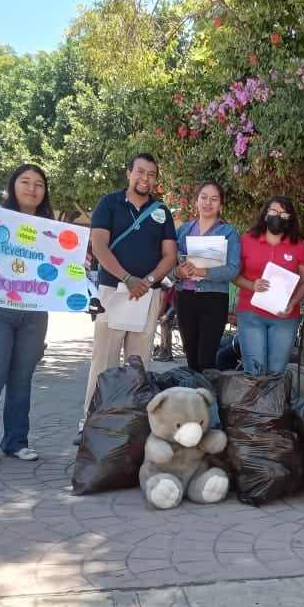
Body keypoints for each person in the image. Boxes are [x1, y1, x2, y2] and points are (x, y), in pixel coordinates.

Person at [80, 153, 178, 433]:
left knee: (139, 366)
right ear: (129, 173)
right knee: (104, 362)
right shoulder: (108, 203)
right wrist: (127, 277)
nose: (145, 178)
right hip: (113, 291)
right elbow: (99, 246)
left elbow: (169, 255)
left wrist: (146, 281)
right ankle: (90, 425)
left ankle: (132, 427)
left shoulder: (162, 212)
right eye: (140, 171)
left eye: (151, 174)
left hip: (147, 296)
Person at [0, 165, 53, 467]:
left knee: (22, 379)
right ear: (12, 186)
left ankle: (17, 441)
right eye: (25, 181)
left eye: (39, 184)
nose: (32, 188)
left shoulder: (52, 230)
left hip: (32, 313)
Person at [233, 196, 304, 374]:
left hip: (285, 317)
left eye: (284, 214)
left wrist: (293, 302)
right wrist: (252, 285)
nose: (278, 216)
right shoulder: (246, 240)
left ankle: (273, 403)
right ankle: (254, 403)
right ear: (265, 215)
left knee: (276, 372)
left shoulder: (298, 246)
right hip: (251, 314)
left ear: (290, 219)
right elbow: (234, 275)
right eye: (274, 212)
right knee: (255, 371)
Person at [174, 181, 241, 371]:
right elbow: (170, 263)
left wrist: (202, 272)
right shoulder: (183, 230)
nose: (207, 203)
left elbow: (233, 269)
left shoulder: (228, 232)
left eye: (214, 199)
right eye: (203, 197)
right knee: (191, 357)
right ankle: (195, 399)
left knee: (207, 359)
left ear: (221, 204)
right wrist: (178, 272)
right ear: (196, 201)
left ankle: (207, 398)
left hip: (214, 299)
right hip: (185, 298)